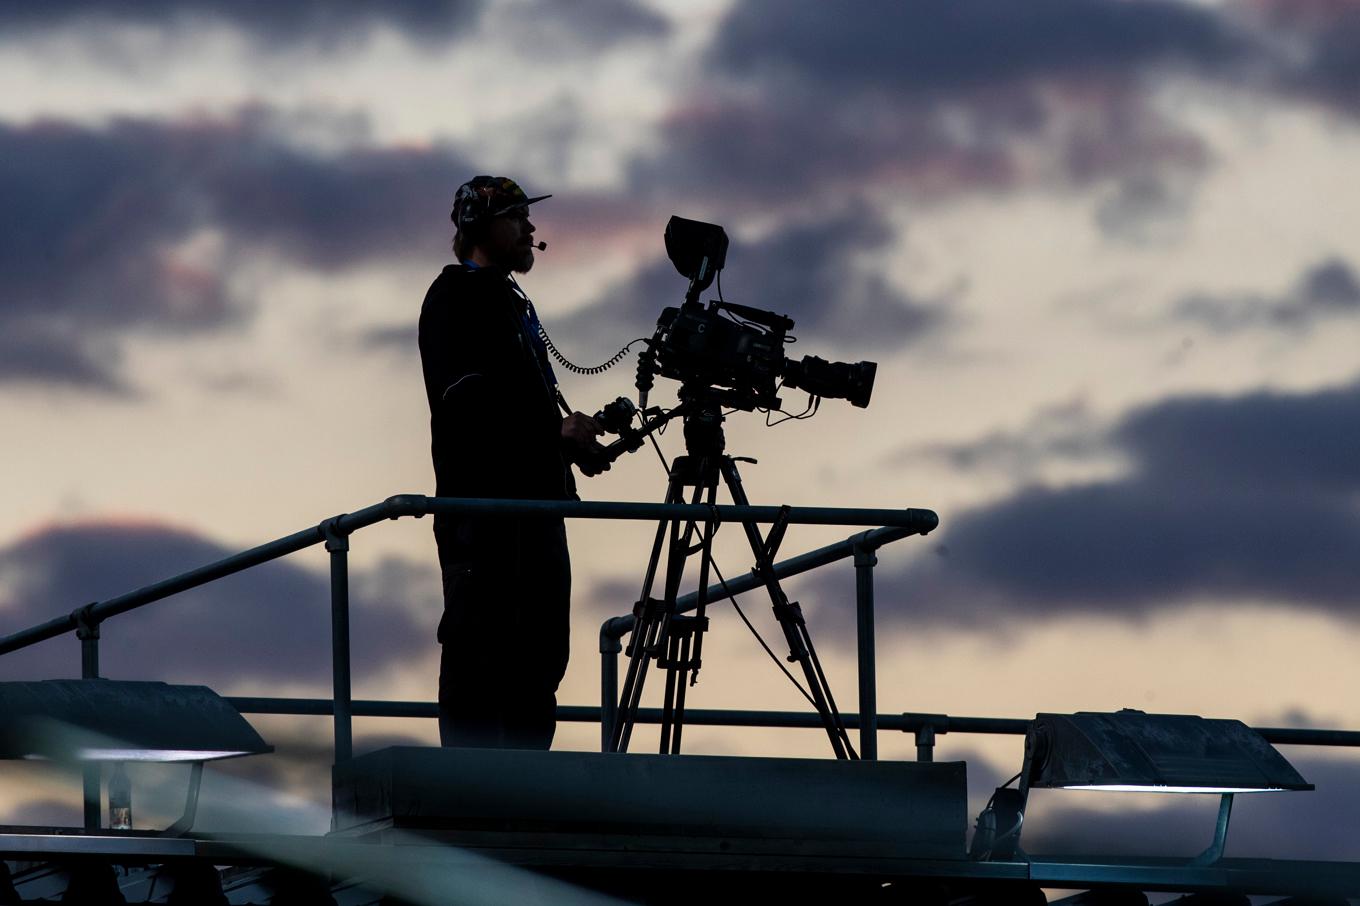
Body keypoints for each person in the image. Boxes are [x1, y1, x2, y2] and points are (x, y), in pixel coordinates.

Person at [418, 175, 608, 749]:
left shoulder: (503, 299)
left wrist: (566, 442)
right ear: (483, 227)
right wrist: (553, 432)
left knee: (537, 664)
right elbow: (468, 404)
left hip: (532, 515)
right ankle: (472, 809)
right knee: (481, 659)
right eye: (518, 216)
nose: (530, 228)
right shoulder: (454, 298)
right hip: (485, 518)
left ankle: (525, 803)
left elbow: (507, 412)